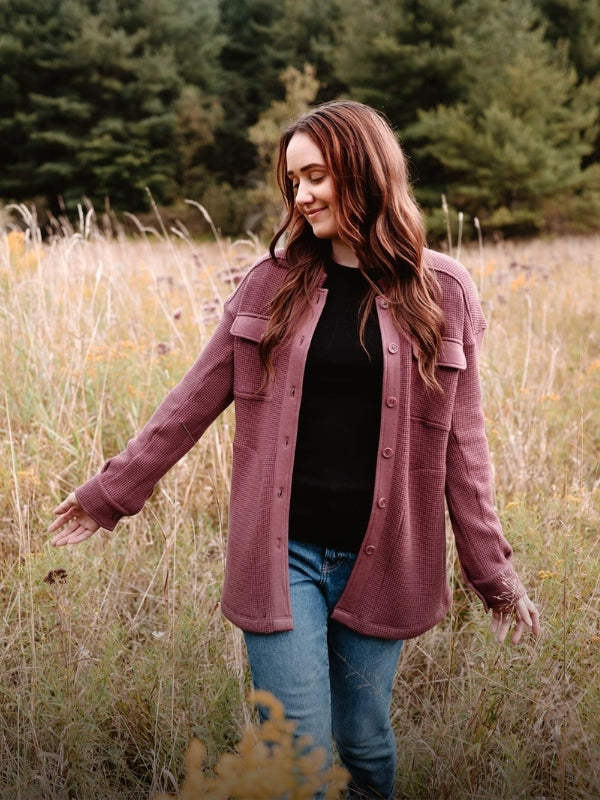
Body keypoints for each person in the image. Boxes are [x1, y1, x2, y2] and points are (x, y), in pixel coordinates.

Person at [49, 100, 540, 800]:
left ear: (363, 170)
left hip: (387, 552)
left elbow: (465, 447)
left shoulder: (443, 290)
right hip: (283, 554)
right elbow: (191, 402)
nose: (301, 196)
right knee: (297, 758)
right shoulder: (270, 282)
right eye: (293, 181)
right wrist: (110, 494)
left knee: (364, 743)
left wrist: (494, 575)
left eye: (316, 176)